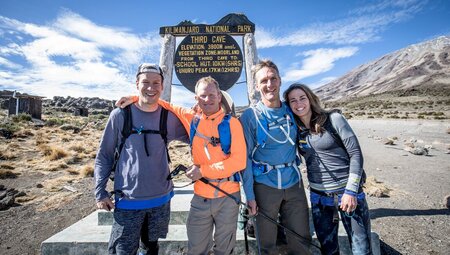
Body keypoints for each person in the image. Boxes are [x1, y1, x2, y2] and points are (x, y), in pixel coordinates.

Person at [116, 76, 247, 255]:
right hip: (201, 198)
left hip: (228, 198)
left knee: (225, 250)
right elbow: (163, 103)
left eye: (211, 95)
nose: (207, 99)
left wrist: (203, 171)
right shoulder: (191, 118)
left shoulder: (232, 124)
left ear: (219, 96)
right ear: (196, 98)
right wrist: (135, 98)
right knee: (196, 248)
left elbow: (239, 161)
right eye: (203, 96)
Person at [94, 63, 188, 255]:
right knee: (122, 250)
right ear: (137, 83)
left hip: (160, 200)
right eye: (145, 82)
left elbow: (198, 136)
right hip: (128, 200)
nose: (151, 88)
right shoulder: (120, 115)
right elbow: (104, 155)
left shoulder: (169, 118)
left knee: (151, 248)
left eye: (156, 83)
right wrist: (100, 192)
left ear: (162, 86)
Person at [283, 83, 372, 255]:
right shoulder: (295, 130)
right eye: (292, 100)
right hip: (319, 198)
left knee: (362, 249)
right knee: (328, 250)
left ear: (310, 98)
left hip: (348, 194)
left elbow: (356, 154)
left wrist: (351, 191)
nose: (298, 103)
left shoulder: (333, 119)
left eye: (302, 98)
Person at [239, 60, 311, 255]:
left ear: (280, 81)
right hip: (264, 186)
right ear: (256, 86)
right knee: (267, 245)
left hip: (294, 183)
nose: (269, 84)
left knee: (302, 241)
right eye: (264, 80)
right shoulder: (249, 117)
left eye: (273, 78)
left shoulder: (293, 110)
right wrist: (249, 196)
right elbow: (243, 159)